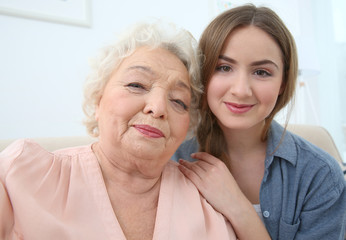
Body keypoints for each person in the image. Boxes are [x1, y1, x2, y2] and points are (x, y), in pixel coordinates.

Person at [0, 21, 237, 240]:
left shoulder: (208, 203)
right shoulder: (20, 174)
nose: (158, 107)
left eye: (178, 101)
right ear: (97, 101)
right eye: (136, 85)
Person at [173, 4, 346, 240]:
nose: (241, 90)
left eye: (261, 72)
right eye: (224, 67)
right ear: (203, 72)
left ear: (283, 82)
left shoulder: (319, 176)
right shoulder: (170, 157)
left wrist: (237, 206)